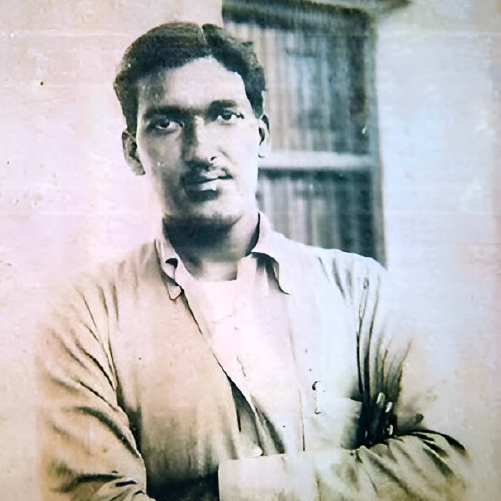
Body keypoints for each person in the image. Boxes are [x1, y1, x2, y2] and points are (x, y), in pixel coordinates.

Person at [36, 22, 470, 501]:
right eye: (166, 123)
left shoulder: (360, 290)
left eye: (224, 115)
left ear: (261, 135)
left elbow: (449, 461)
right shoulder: (87, 317)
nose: (201, 150)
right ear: (132, 151)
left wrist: (227, 490)